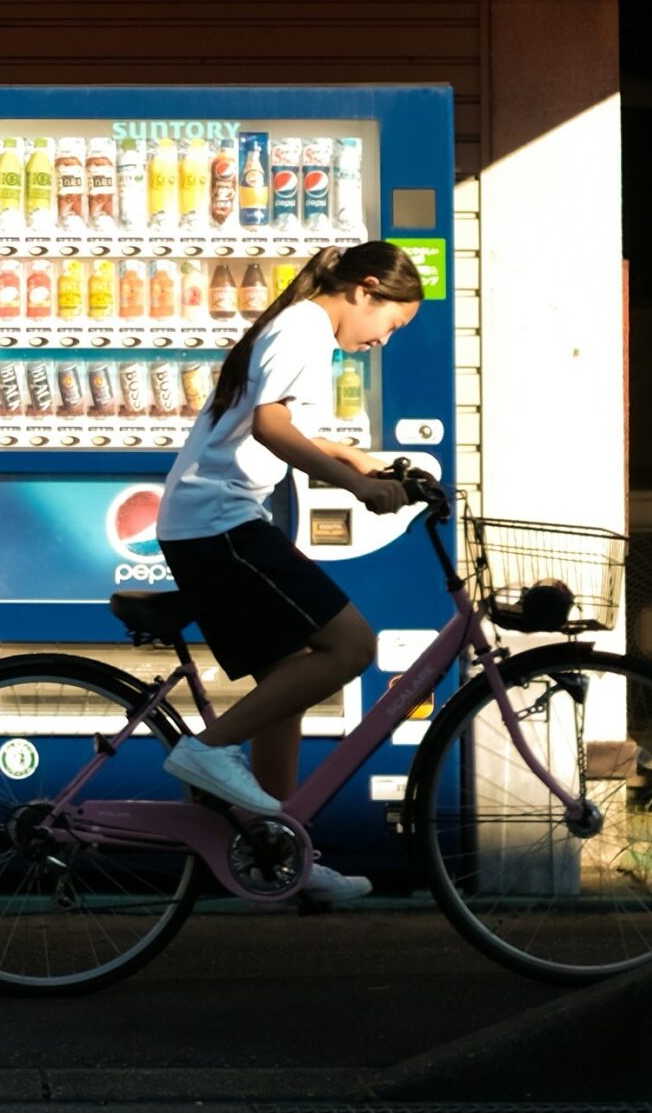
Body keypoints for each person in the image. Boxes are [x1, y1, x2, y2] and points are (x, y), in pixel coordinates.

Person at [152, 241, 422, 902]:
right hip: (221, 524)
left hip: (208, 523)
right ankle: (209, 750)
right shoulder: (305, 328)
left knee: (289, 675)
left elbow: (271, 424)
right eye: (392, 324)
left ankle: (281, 849)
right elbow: (272, 428)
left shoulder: (299, 326)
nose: (384, 340)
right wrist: (353, 487)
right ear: (365, 290)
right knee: (351, 644)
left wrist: (357, 460)